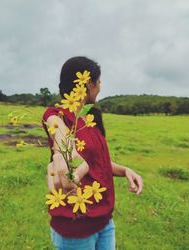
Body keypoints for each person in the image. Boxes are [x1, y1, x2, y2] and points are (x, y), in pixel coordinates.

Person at [42, 56, 143, 250]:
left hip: (104, 221)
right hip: (75, 227)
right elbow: (55, 125)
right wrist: (62, 151)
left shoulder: (91, 119)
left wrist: (125, 171)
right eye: (99, 82)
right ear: (88, 83)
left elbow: (100, 162)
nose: (100, 87)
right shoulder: (58, 115)